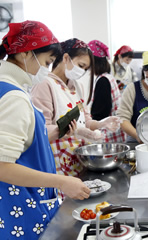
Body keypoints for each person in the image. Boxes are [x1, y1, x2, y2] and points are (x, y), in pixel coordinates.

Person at [0, 20, 90, 239]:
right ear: (26, 54)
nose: (47, 69)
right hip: (19, 206)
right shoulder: (14, 97)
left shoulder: (6, 87)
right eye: (47, 61)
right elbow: (2, 166)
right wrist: (61, 181)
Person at [31, 38, 120, 182]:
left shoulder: (76, 86)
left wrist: (101, 123)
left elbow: (85, 120)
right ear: (66, 58)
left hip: (78, 158)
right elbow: (42, 131)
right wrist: (76, 130)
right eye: (81, 65)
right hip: (58, 160)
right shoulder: (45, 85)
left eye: (86, 69)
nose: (82, 72)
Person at [87, 40, 126, 143]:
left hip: (108, 137)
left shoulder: (102, 81)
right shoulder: (108, 77)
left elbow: (100, 113)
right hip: (115, 135)